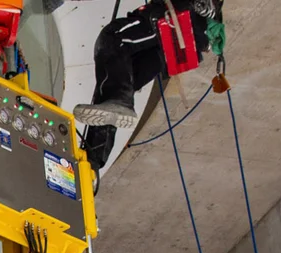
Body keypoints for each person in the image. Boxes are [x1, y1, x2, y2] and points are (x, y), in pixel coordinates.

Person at [72, 0, 225, 169]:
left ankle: (117, 105)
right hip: (183, 39)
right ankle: (92, 161)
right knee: (117, 85)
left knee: (114, 38)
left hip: (177, 20)